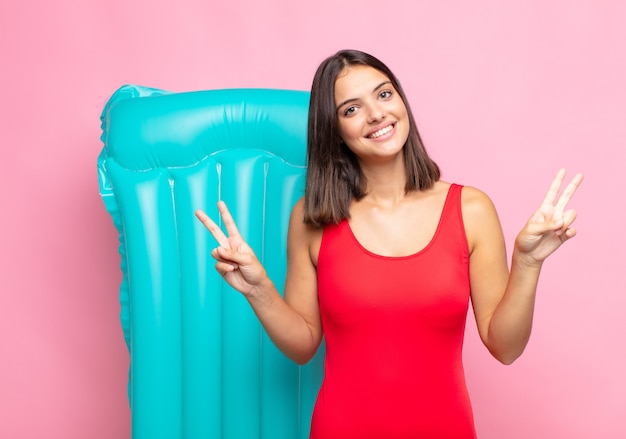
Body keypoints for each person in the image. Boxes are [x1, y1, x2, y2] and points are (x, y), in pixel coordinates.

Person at [195, 49, 583, 439]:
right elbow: (303, 346)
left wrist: (528, 263)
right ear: (334, 131)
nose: (376, 114)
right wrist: (259, 291)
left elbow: (506, 347)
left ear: (401, 101)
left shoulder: (471, 209)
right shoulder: (312, 219)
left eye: (383, 94)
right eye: (351, 109)